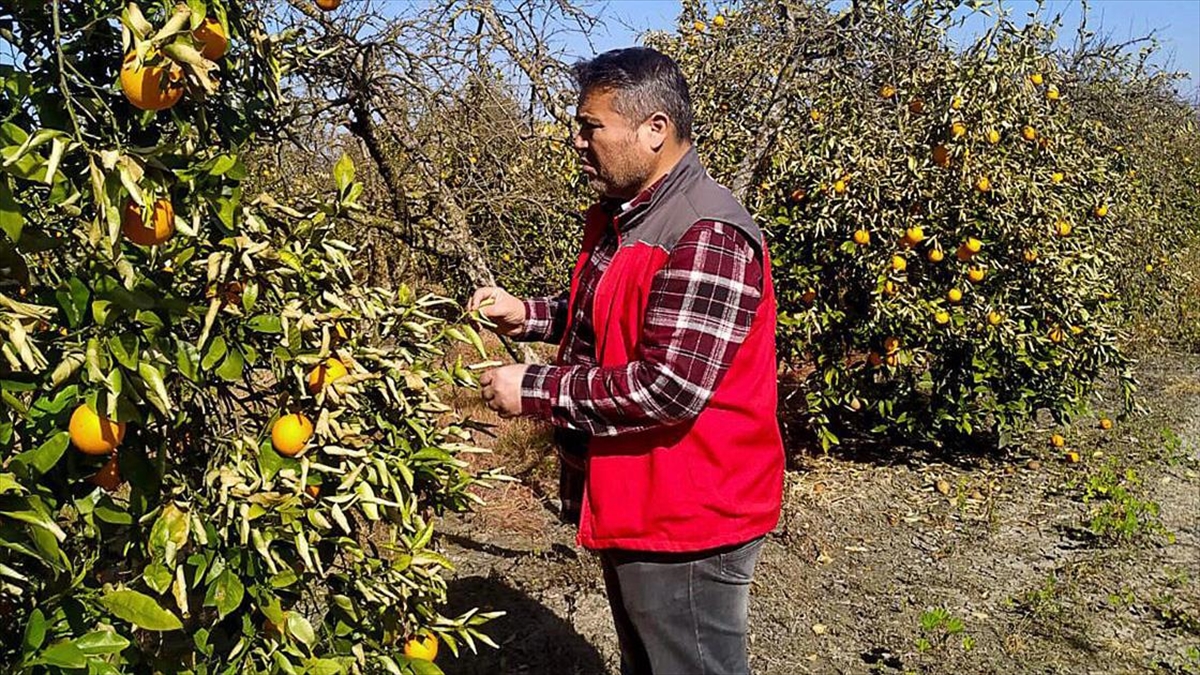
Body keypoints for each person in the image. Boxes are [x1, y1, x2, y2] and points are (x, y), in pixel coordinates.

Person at [468, 46, 784, 675]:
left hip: (689, 512)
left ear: (655, 130)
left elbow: (668, 386)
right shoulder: (633, 217)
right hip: (642, 497)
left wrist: (534, 388)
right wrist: (524, 313)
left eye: (591, 128)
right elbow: (607, 311)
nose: (577, 143)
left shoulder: (703, 234)